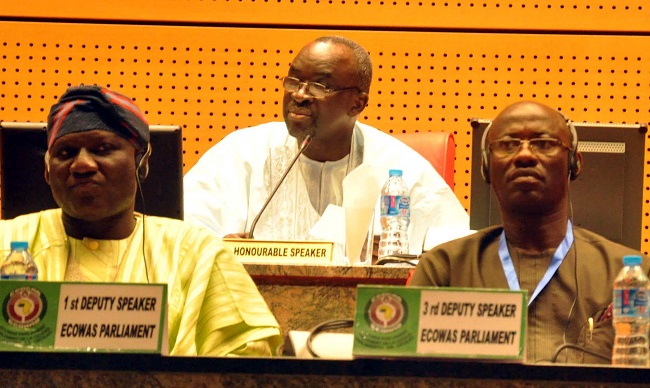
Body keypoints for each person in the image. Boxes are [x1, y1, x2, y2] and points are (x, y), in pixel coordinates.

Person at [1, 85, 282, 357]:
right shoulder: (6, 244)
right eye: (66, 153)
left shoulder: (198, 254)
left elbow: (248, 358)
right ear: (48, 172)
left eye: (102, 148)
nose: (82, 164)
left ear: (141, 164)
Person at [409, 101, 650, 364]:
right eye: (508, 145)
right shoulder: (445, 269)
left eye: (544, 143)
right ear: (487, 167)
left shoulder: (630, 275)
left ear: (573, 163)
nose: (525, 155)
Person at [183, 36, 469, 256]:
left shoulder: (402, 170)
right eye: (294, 81)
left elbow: (455, 253)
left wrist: (397, 259)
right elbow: (182, 232)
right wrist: (218, 252)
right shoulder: (240, 154)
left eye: (320, 86)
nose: (300, 95)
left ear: (357, 102)